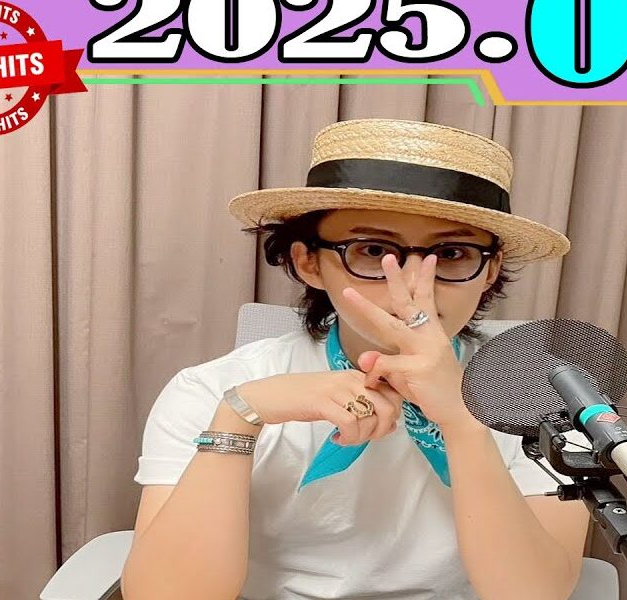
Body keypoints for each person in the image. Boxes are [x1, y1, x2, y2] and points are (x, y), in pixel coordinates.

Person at [119, 118, 589, 600]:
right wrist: (240, 416)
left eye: (451, 253)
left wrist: (462, 422)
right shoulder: (213, 388)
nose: (413, 284)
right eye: (372, 250)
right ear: (307, 262)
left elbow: (533, 594)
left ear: (489, 270)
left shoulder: (552, 400)